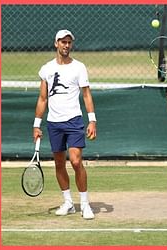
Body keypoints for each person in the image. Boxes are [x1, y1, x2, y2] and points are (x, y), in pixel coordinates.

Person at [33, 30, 97, 220]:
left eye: (69, 42)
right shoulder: (46, 69)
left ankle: (85, 204)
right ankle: (68, 202)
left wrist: (92, 120)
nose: (66, 45)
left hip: (74, 121)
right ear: (56, 44)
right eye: (63, 42)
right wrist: (37, 125)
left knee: (76, 161)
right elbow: (43, 98)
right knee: (59, 163)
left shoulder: (79, 67)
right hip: (54, 123)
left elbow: (86, 95)